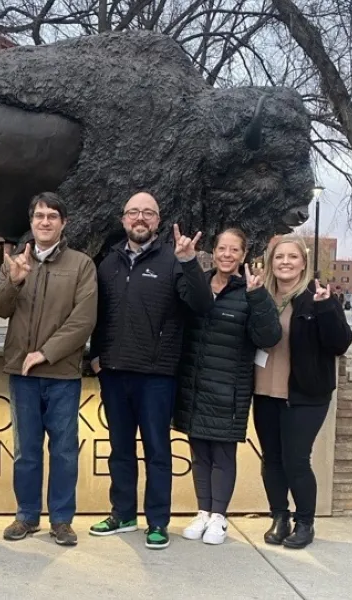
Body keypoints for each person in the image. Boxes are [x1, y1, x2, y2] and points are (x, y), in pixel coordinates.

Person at [88, 192, 214, 550]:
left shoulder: (175, 260)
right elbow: (98, 315)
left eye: (148, 213)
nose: (140, 218)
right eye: (133, 213)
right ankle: (123, 514)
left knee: (158, 451)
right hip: (114, 372)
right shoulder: (108, 264)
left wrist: (190, 262)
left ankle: (157, 521)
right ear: (123, 219)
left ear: (158, 221)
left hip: (157, 375)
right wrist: (96, 355)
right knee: (119, 449)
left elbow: (202, 305)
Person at [0, 192, 97, 547]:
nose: (45, 221)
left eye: (52, 215)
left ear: (63, 223)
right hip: (23, 376)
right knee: (26, 451)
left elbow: (83, 320)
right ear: (31, 222)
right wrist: (14, 280)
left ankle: (62, 520)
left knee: (64, 451)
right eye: (39, 216)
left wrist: (46, 353)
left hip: (61, 374)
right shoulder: (14, 262)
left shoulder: (82, 265)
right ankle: (27, 516)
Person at [173, 228, 282, 545]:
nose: (227, 254)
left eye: (234, 250)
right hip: (195, 383)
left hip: (229, 387)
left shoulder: (250, 291)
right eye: (222, 248)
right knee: (200, 454)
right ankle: (203, 512)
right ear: (214, 250)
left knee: (222, 453)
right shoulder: (200, 283)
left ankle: (219, 516)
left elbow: (269, 337)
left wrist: (257, 296)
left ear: (244, 255)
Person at [253, 235, 352, 549]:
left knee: (296, 459)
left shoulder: (317, 297)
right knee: (272, 460)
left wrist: (326, 308)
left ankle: (305, 522)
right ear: (271, 262)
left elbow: (339, 343)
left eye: (292, 257)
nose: (285, 262)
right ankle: (280, 517)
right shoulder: (262, 295)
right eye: (279, 257)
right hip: (266, 391)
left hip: (305, 394)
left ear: (304, 263)